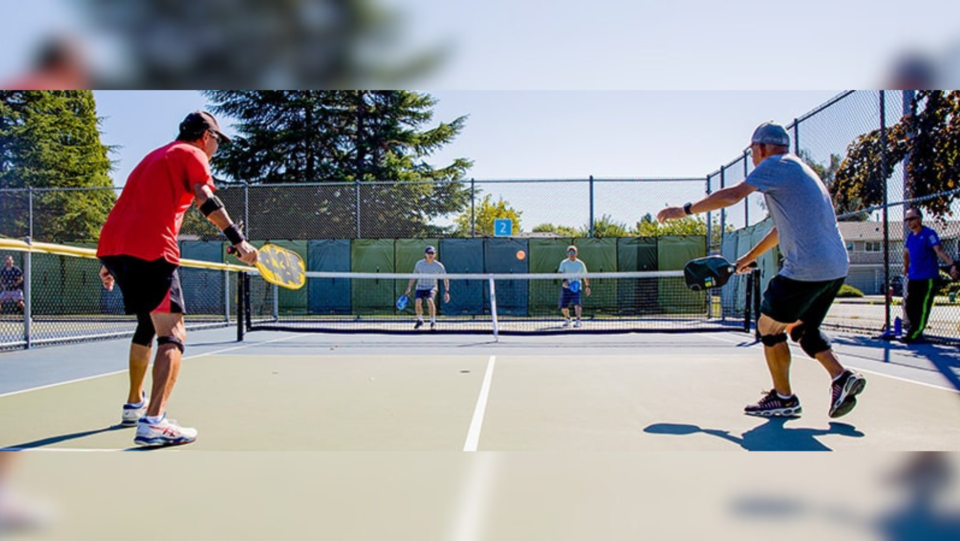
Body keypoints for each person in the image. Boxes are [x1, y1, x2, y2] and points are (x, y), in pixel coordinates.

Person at [657, 121, 866, 419]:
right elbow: (779, 231)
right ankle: (841, 377)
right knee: (798, 327)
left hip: (806, 267)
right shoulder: (800, 171)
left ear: (761, 148)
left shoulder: (775, 164)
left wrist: (685, 210)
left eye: (753, 151)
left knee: (768, 328)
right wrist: (745, 259)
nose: (752, 158)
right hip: (835, 266)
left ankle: (784, 399)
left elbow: (732, 195)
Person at [96, 111, 258, 447]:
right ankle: (154, 421)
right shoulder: (193, 154)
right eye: (217, 140)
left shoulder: (154, 156)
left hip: (114, 245)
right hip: (150, 249)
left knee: (148, 324)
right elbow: (205, 198)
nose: (217, 147)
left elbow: (130, 205)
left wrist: (112, 262)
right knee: (173, 332)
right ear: (204, 135)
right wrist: (237, 239)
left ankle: (134, 404)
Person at [901, 207, 958, 343]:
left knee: (923, 306)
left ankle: (915, 333)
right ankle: (914, 330)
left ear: (919, 219)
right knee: (910, 305)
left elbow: (938, 250)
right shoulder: (910, 237)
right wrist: (906, 267)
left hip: (928, 277)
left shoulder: (929, 234)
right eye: (906, 219)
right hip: (914, 277)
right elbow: (906, 253)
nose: (908, 222)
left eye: (911, 218)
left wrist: (951, 265)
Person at [404, 245, 450, 331]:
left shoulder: (439, 266)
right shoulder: (419, 264)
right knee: (418, 302)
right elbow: (413, 276)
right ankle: (420, 320)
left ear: (435, 255)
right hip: (420, 287)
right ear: (425, 254)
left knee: (430, 300)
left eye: (432, 253)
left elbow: (445, 278)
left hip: (431, 287)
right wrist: (409, 288)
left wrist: (447, 291)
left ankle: (432, 321)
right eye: (429, 253)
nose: (430, 255)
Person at [557, 245, 591, 327]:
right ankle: (568, 318)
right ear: (567, 253)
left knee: (577, 304)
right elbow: (560, 273)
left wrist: (587, 286)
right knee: (563, 307)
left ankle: (578, 320)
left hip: (576, 288)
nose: (571, 254)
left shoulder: (580, 264)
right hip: (566, 288)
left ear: (576, 253)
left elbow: (585, 275)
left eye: (573, 252)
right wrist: (565, 281)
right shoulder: (564, 263)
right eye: (570, 252)